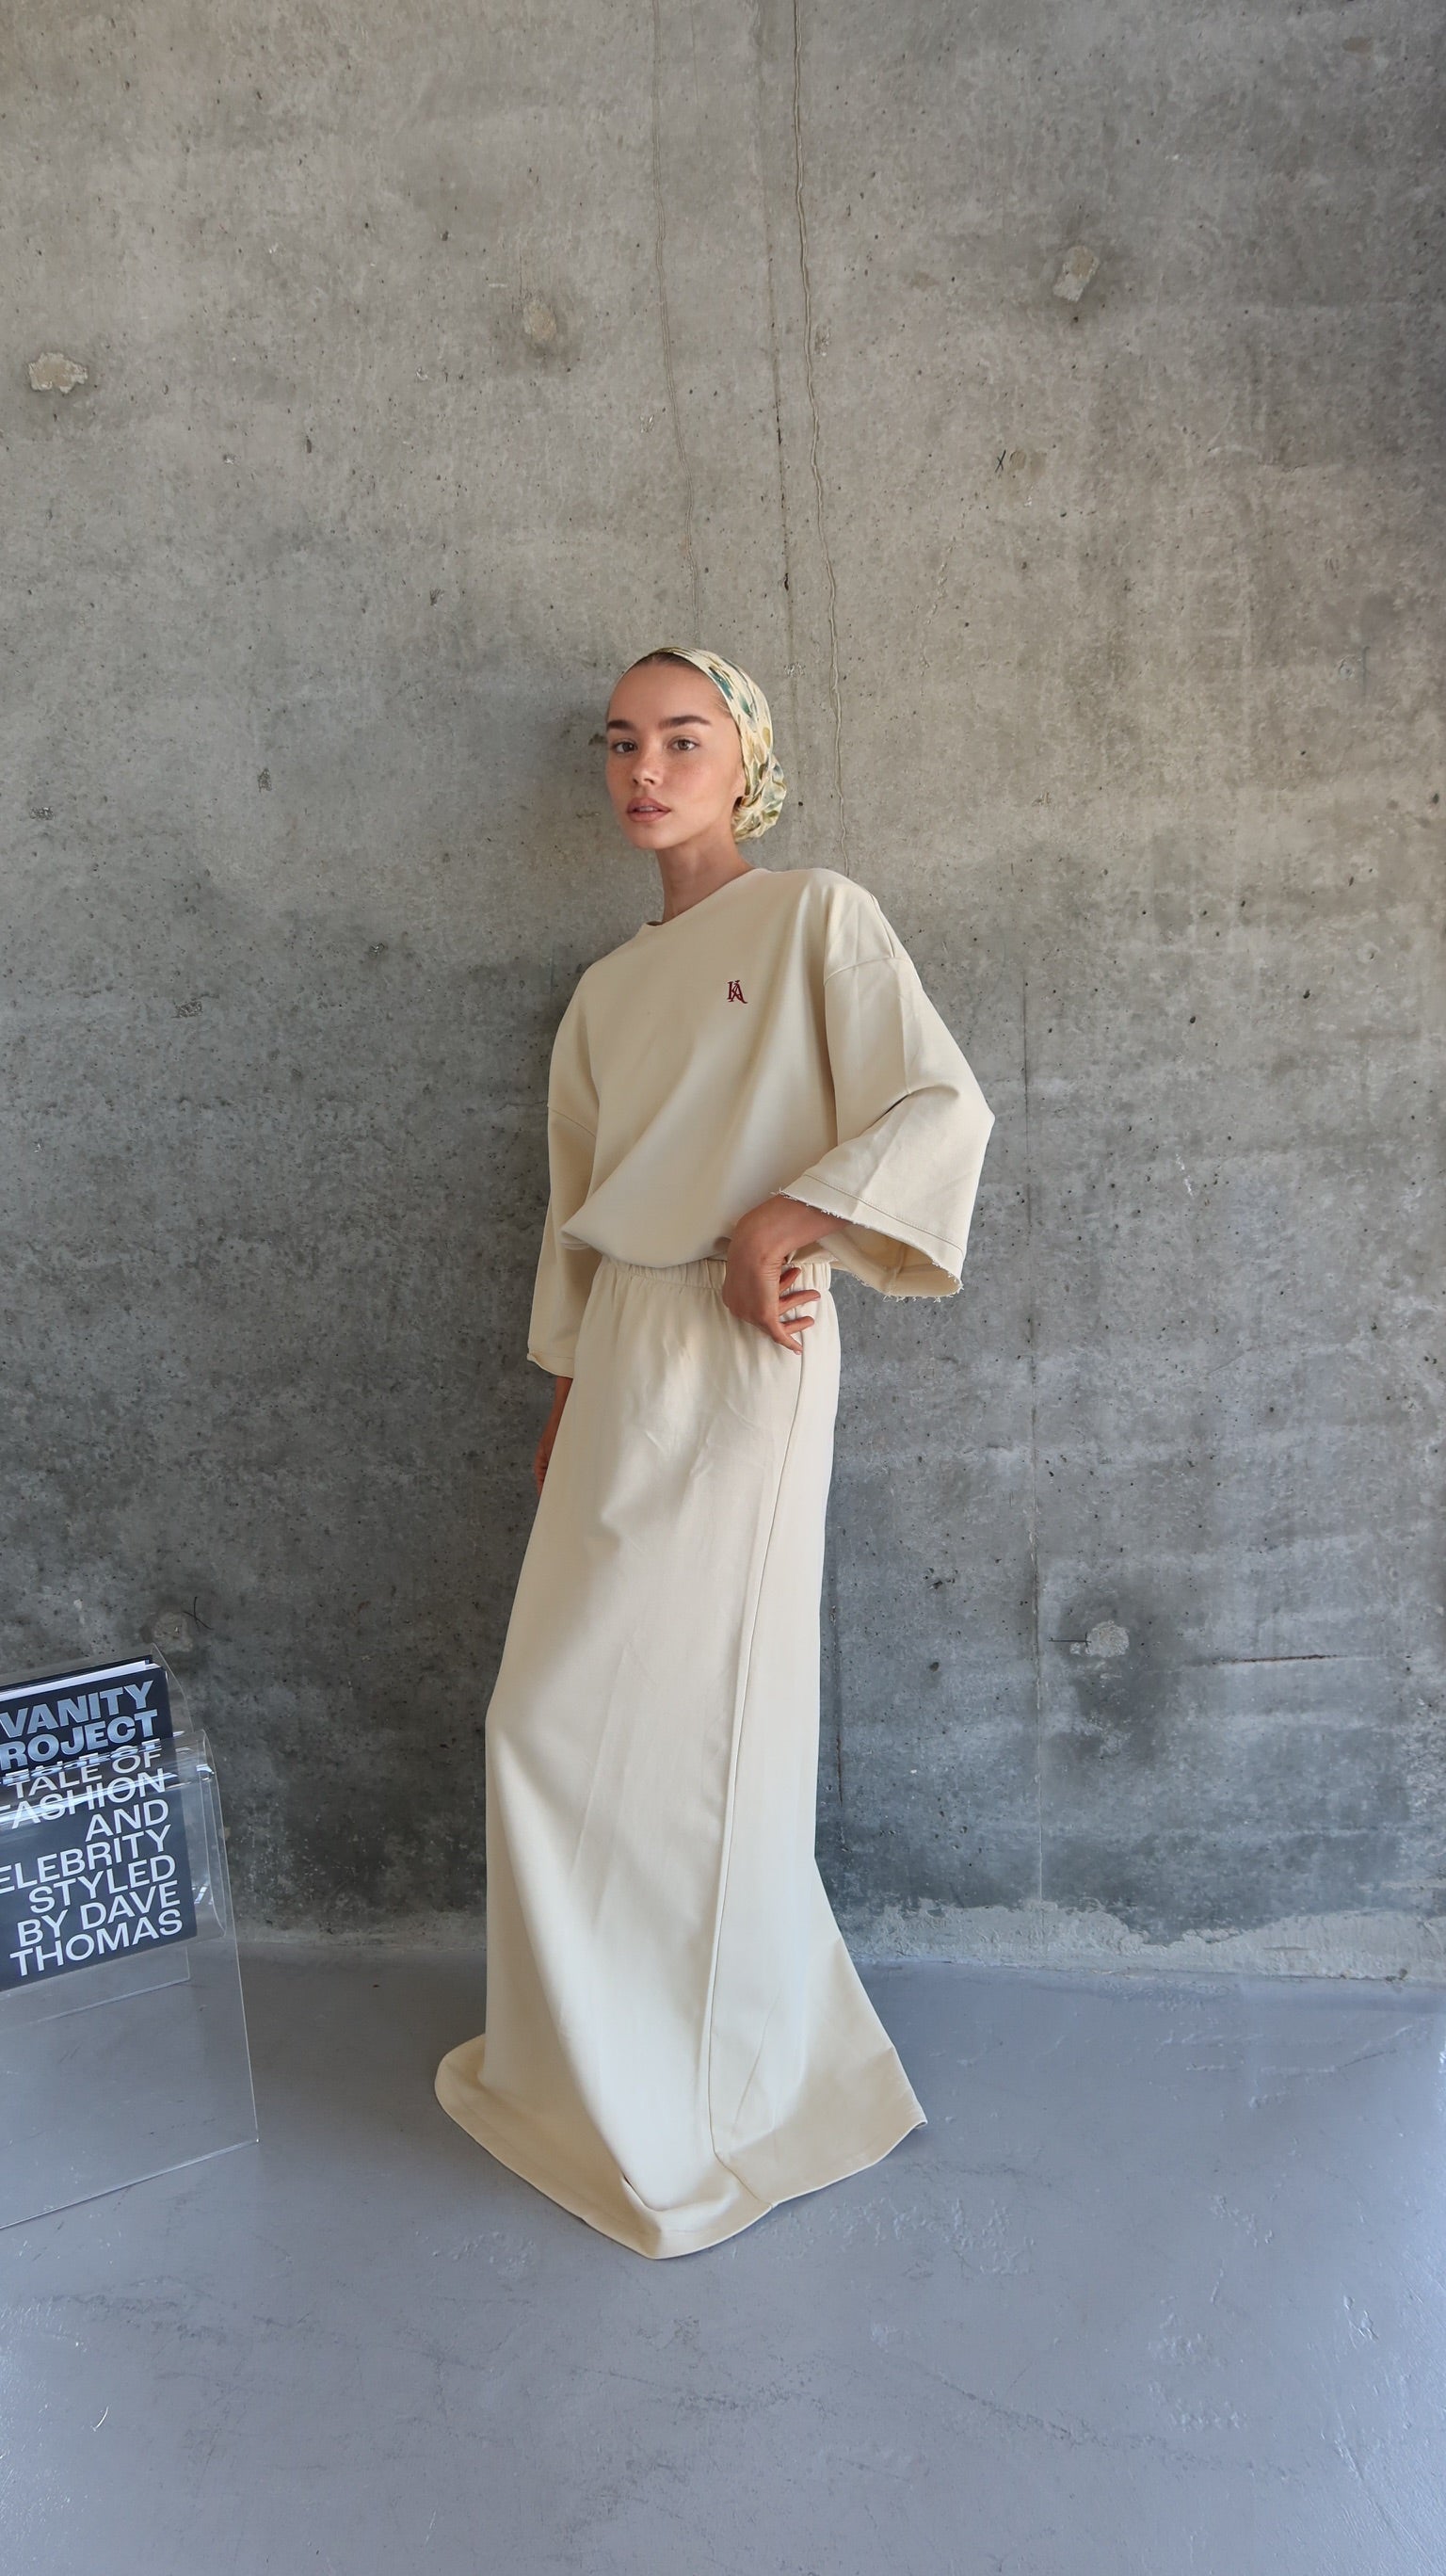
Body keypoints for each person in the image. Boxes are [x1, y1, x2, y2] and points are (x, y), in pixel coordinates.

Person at [434, 645, 995, 2258]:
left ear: (745, 761)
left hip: (750, 1346)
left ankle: (711, 2095)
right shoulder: (604, 994)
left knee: (700, 1734)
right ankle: (583, 2067)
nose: (645, 771)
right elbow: (575, 1215)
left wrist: (785, 1219)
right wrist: (567, 1396)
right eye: (621, 743)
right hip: (620, 1352)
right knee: (547, 1723)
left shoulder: (818, 916)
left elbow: (939, 1104)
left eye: (683, 739)